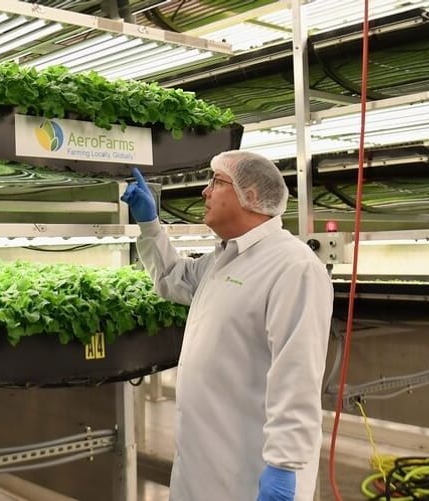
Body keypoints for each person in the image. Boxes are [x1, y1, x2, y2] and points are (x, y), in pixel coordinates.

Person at [121, 151, 332, 501]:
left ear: (250, 194)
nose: (204, 192)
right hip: (203, 464)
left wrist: (283, 465)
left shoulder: (293, 267)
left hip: (250, 470)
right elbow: (172, 278)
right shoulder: (225, 258)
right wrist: (150, 225)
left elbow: (297, 378)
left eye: (215, 182)